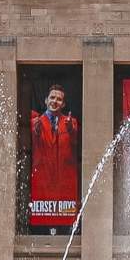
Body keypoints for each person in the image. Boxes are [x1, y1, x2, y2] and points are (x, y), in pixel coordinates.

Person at [30, 84, 79, 227]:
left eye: (59, 99)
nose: (54, 101)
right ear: (46, 100)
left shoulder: (71, 122)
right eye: (52, 98)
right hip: (42, 180)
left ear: (63, 104)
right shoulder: (36, 121)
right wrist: (37, 129)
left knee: (65, 220)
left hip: (64, 182)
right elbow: (34, 134)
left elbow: (75, 140)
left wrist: (70, 129)